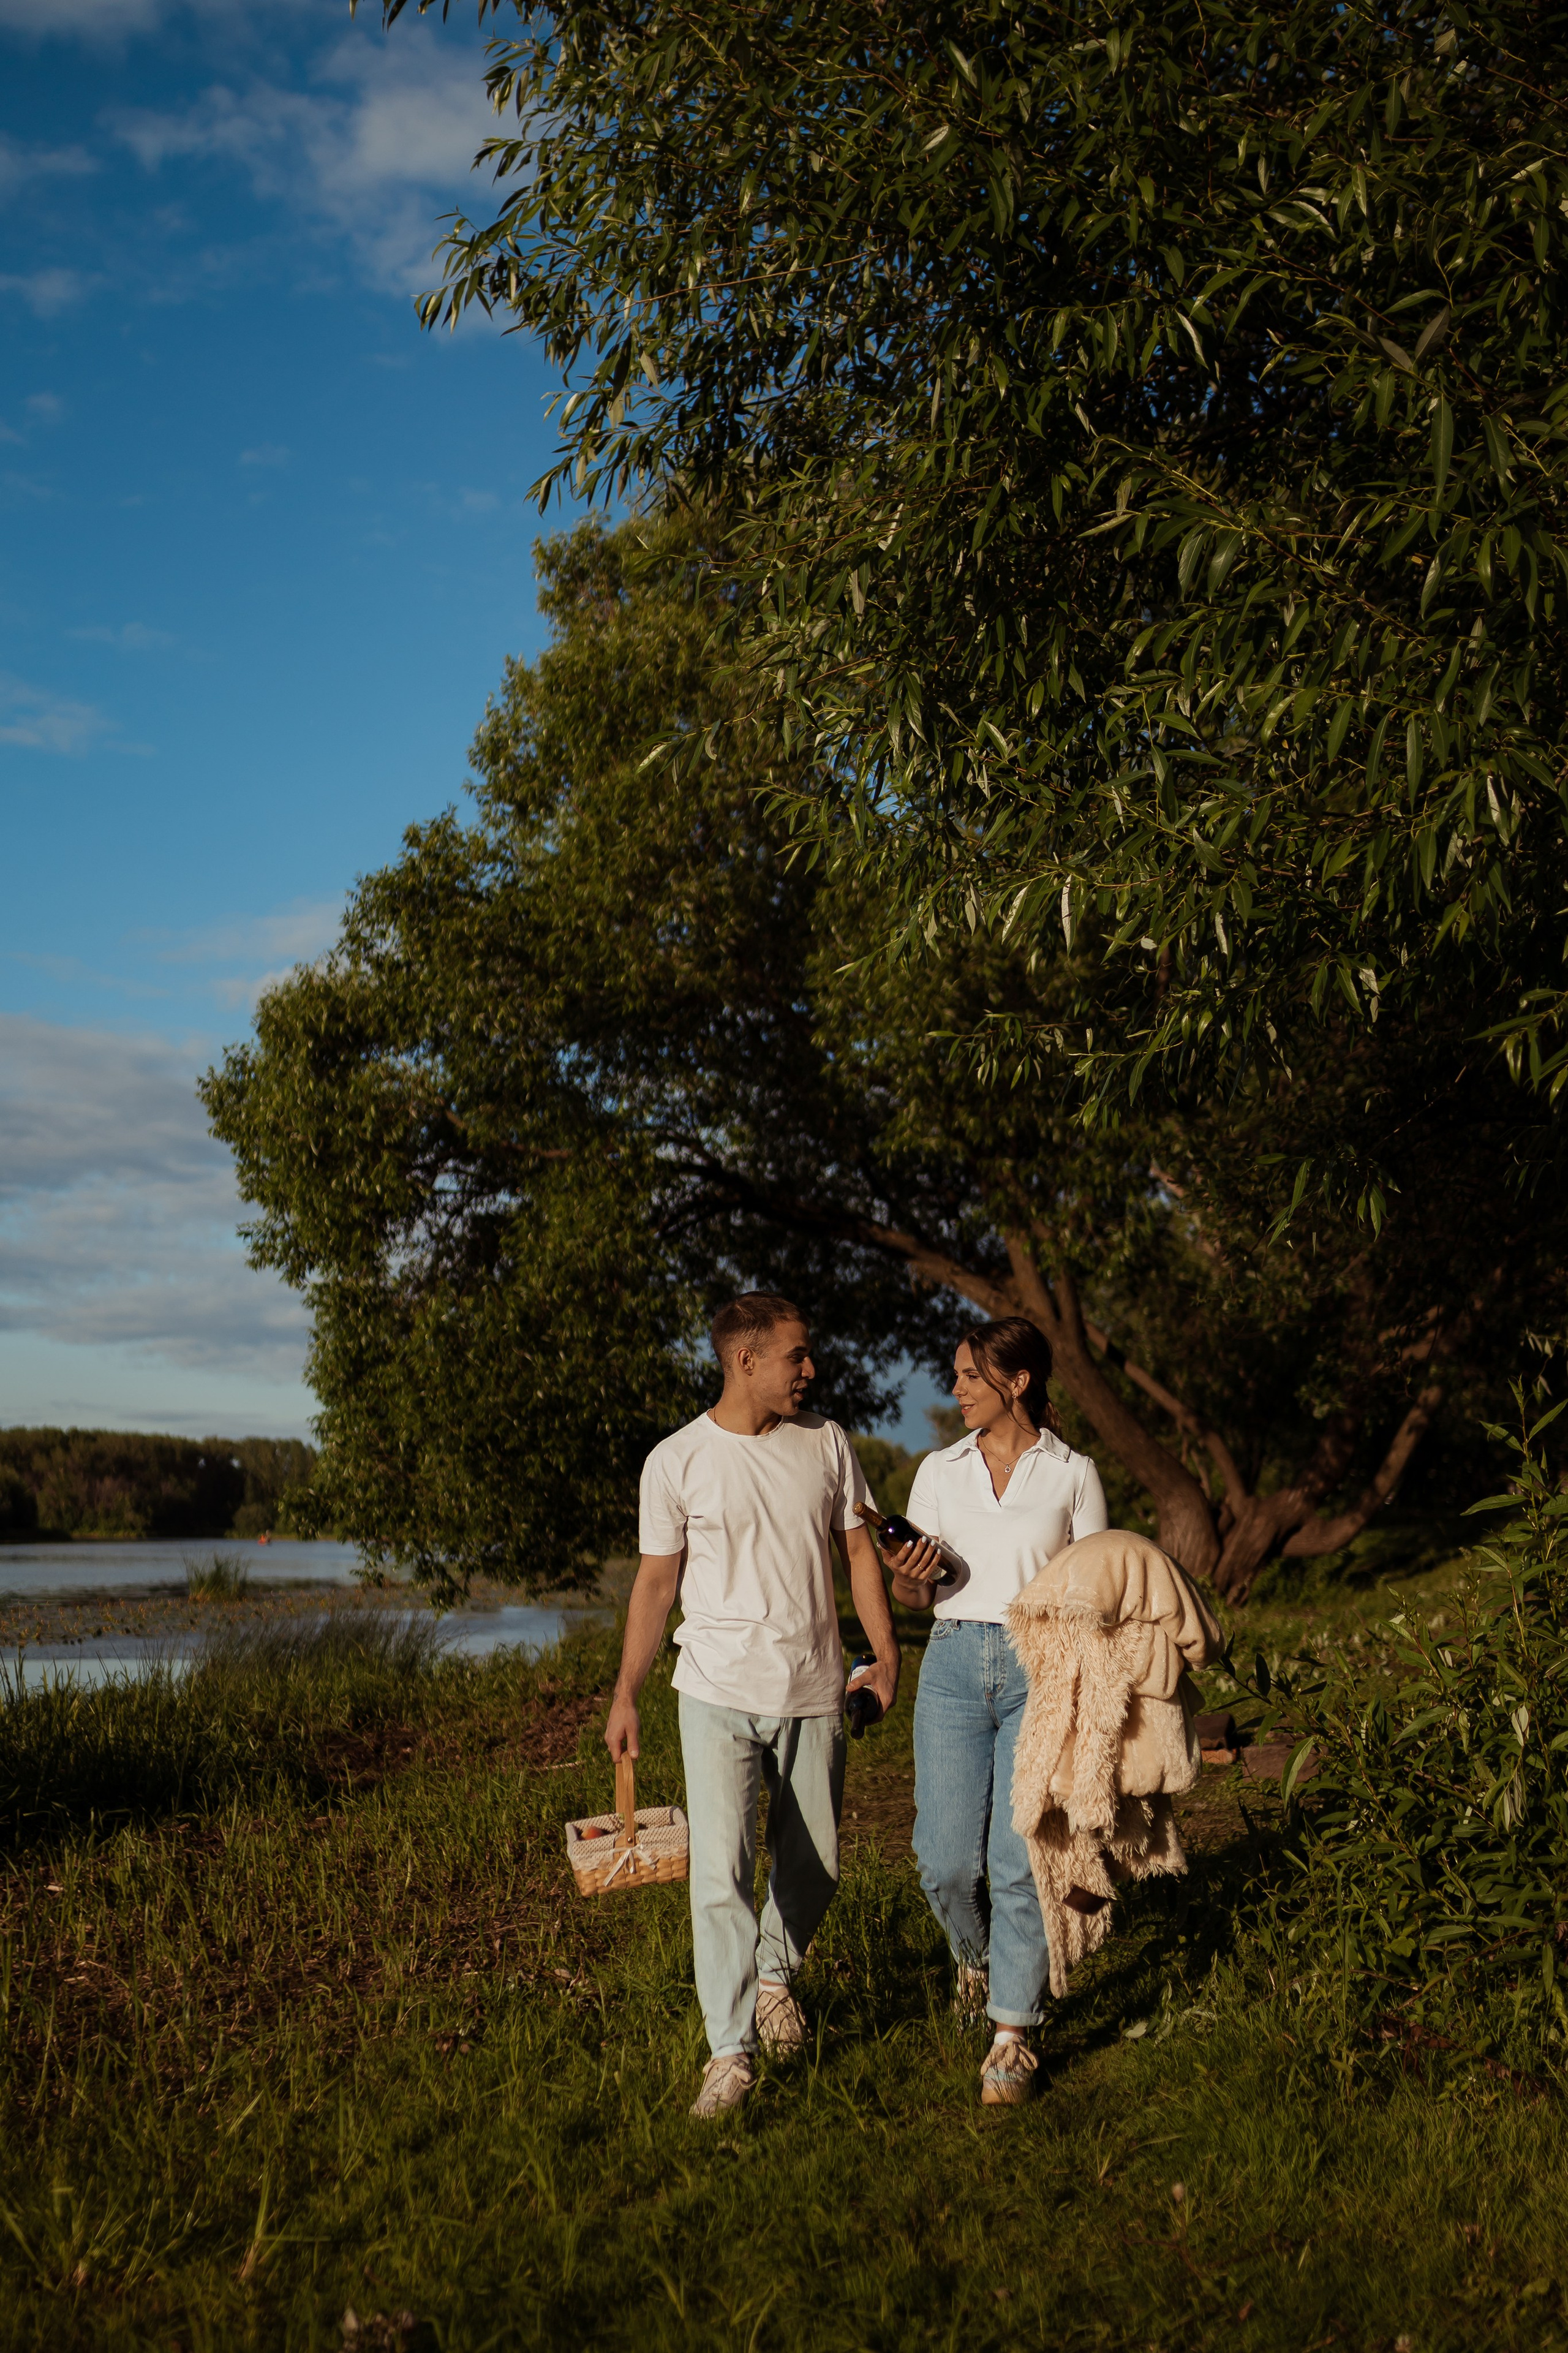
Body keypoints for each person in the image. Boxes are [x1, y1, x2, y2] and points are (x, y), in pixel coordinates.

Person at [605, 1292, 900, 2120]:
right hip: (714, 1690)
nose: (810, 1369)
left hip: (814, 1686)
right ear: (745, 1360)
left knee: (818, 1866)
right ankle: (729, 2051)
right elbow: (656, 1582)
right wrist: (626, 1691)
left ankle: (775, 1976)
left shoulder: (828, 1442)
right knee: (721, 1873)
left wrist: (885, 1654)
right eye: (796, 1356)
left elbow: (858, 1552)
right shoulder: (677, 1459)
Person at [882, 1317, 1108, 2106]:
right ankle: (974, 1961)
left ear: (1015, 1382)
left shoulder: (1073, 1472)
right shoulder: (938, 1470)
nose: (956, 1389)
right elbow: (915, 1595)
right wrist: (909, 1574)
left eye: (969, 1376)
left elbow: (1098, 1586)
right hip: (951, 1661)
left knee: (1019, 1860)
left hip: (1040, 1663)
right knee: (945, 1860)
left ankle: (1011, 2033)